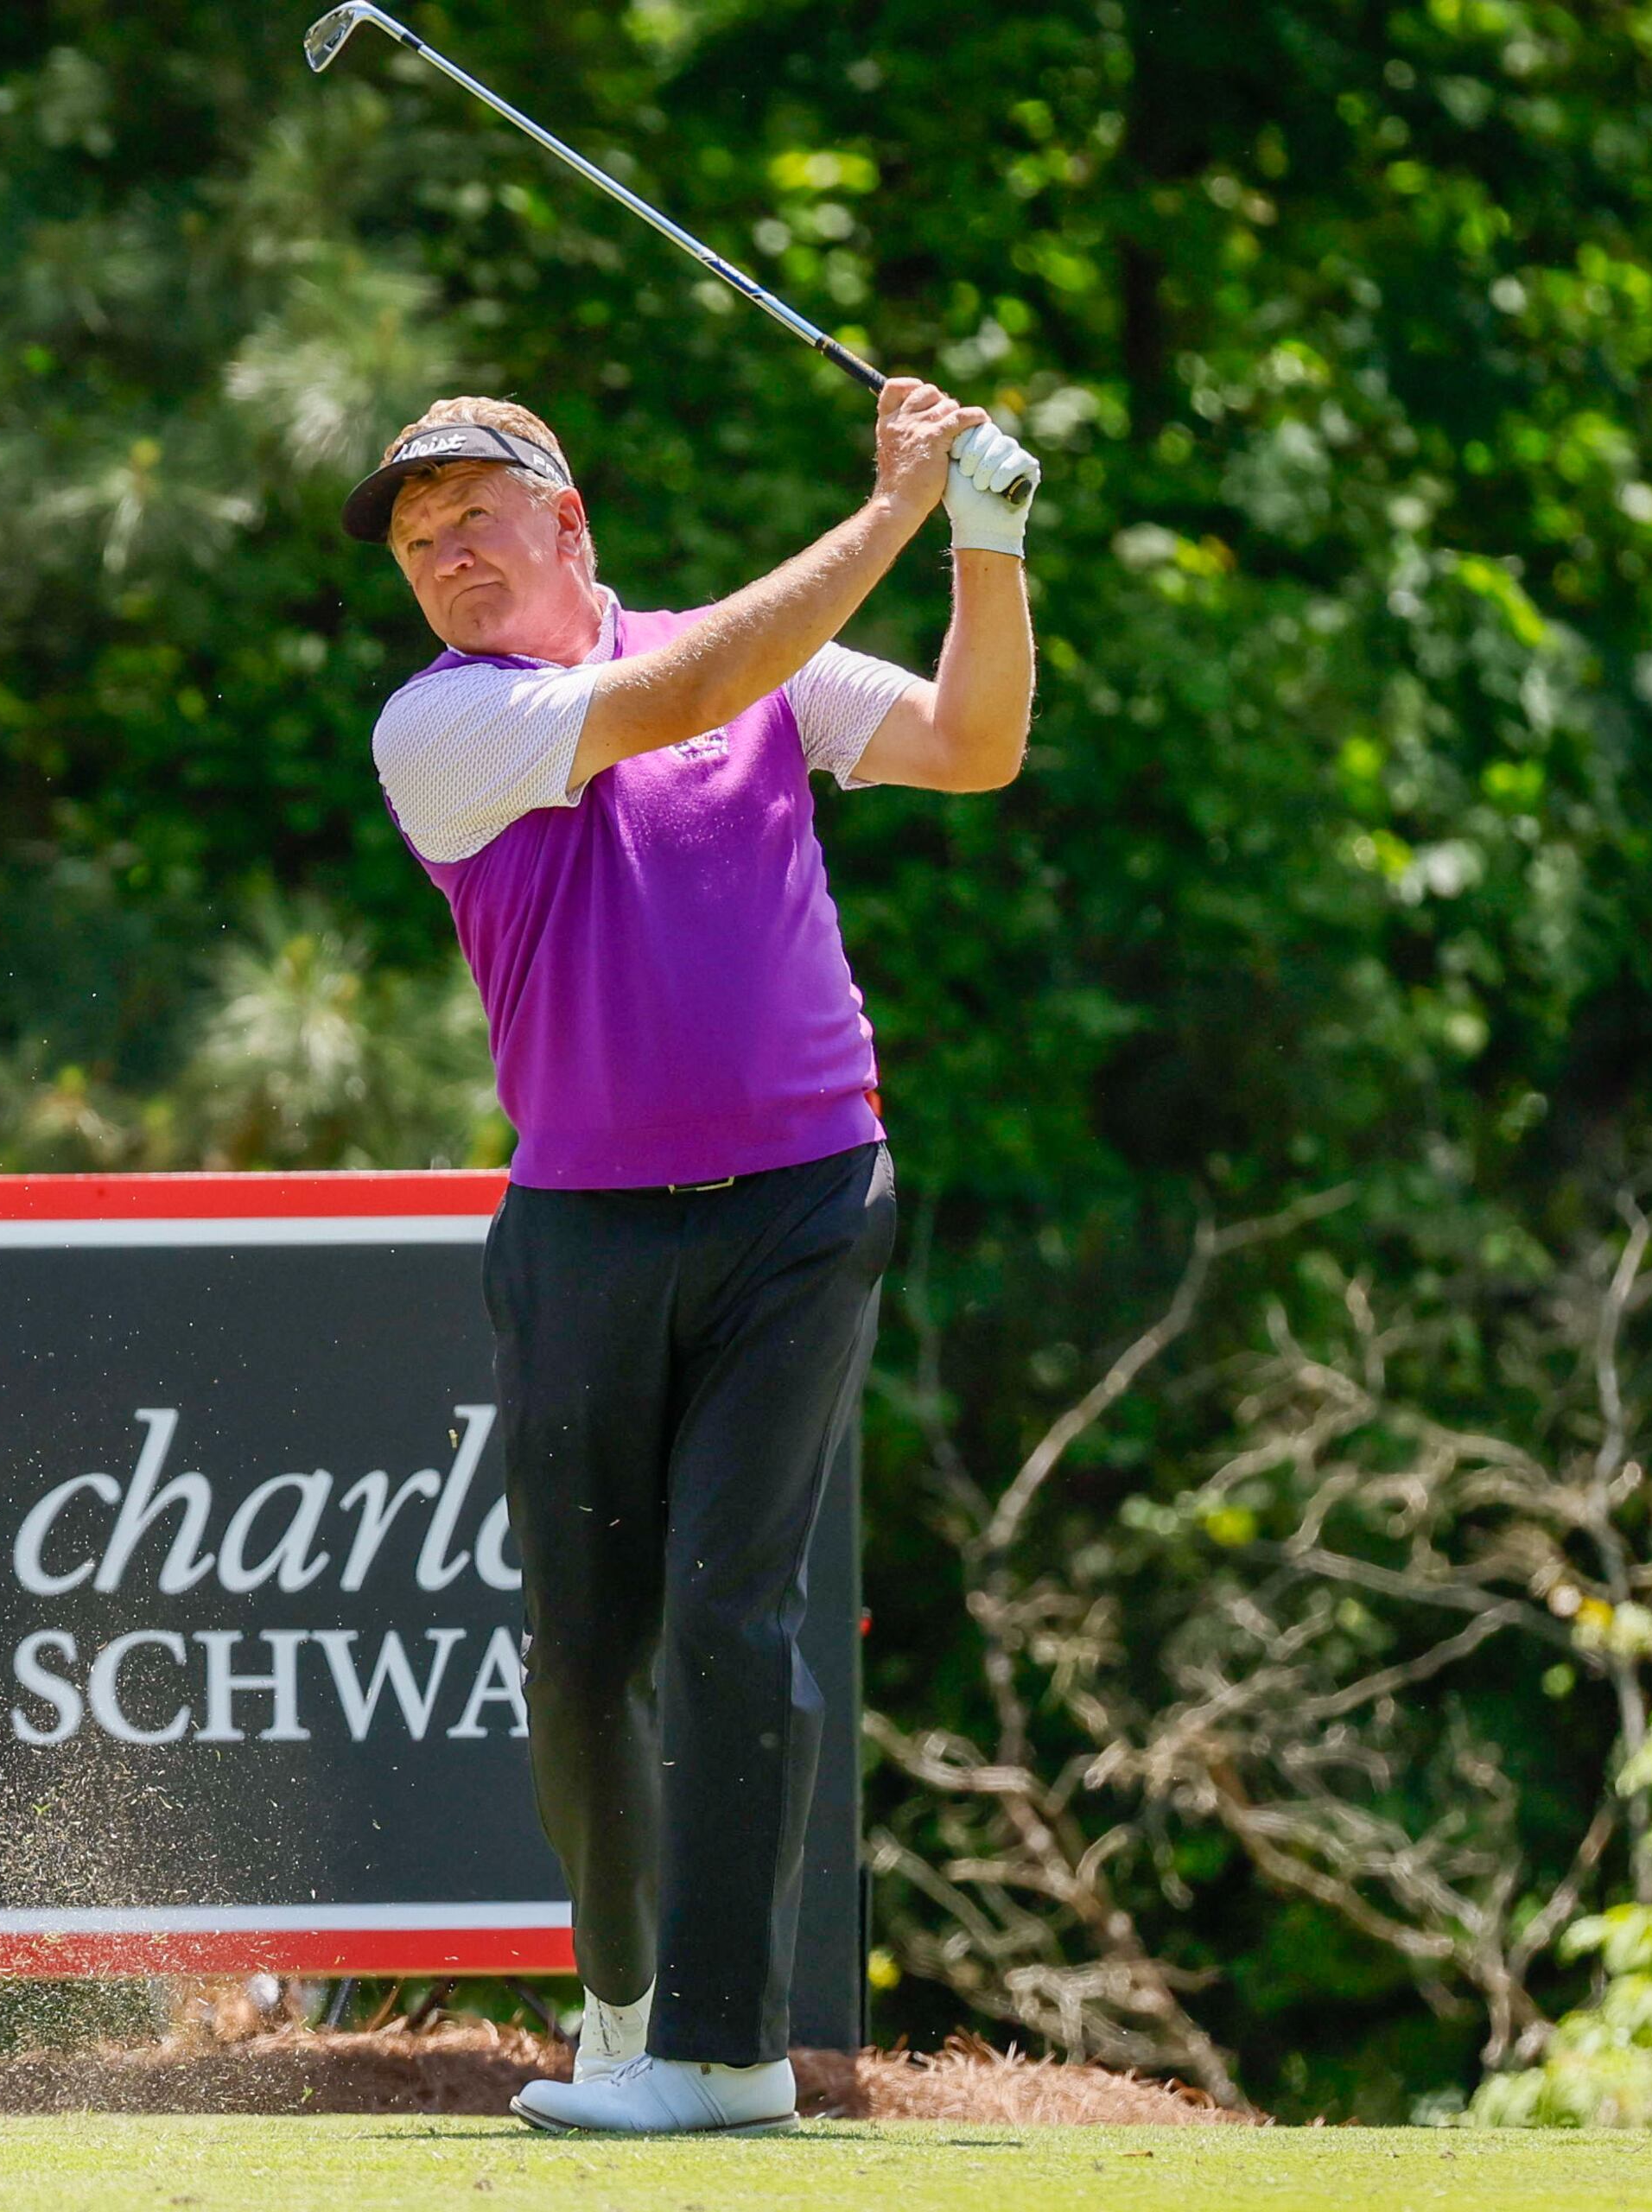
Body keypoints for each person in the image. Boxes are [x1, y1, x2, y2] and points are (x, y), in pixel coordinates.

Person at [346, 380, 1039, 2135]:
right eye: (416, 544)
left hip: (806, 1197)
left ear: (567, 519)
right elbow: (670, 698)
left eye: (469, 520)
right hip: (583, 1224)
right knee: (585, 1652)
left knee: (737, 1614)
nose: (440, 558)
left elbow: (974, 741)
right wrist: (885, 515)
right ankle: (625, 1994)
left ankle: (725, 2055)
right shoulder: (444, 725)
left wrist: (985, 542)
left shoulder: (762, 664)